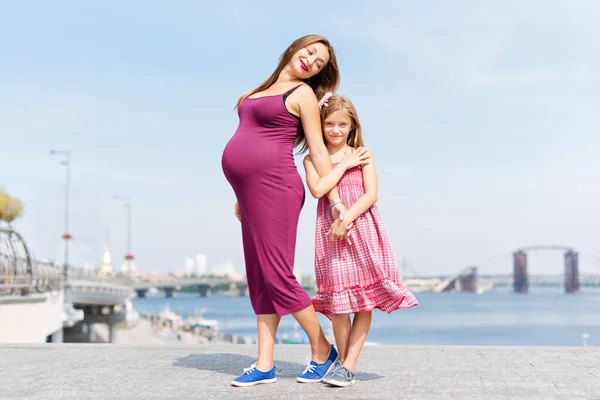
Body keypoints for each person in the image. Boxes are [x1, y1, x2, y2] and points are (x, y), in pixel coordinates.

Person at [222, 35, 352, 387]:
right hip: (252, 194)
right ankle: (265, 364)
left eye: (320, 63)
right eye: (309, 52)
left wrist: (337, 200)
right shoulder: (262, 89)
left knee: (278, 275)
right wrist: (243, 192)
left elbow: (319, 151)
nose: (311, 61)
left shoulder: (303, 95)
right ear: (294, 49)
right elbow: (249, 141)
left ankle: (323, 351)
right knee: (259, 277)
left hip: (277, 190)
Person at [303, 94, 419, 387]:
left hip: (363, 227)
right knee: (340, 303)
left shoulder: (364, 153)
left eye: (342, 124)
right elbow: (318, 190)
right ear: (319, 125)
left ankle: (349, 365)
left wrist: (346, 218)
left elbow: (371, 194)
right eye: (329, 124)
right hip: (331, 234)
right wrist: (342, 166)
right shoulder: (311, 159)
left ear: (352, 125)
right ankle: (342, 364)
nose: (336, 130)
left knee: (364, 303)